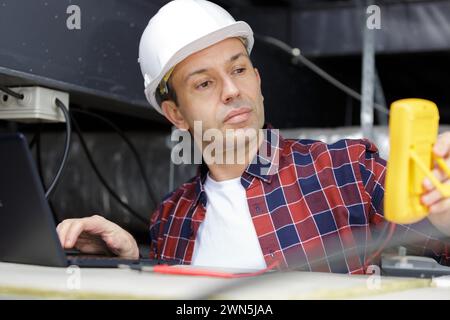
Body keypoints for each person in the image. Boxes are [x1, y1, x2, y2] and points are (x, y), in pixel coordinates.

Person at [57, 0, 450, 273]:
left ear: (258, 81)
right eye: (205, 83)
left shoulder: (346, 170)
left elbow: (441, 243)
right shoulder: (171, 217)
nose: (231, 90)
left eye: (239, 70)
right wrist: (128, 263)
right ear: (176, 114)